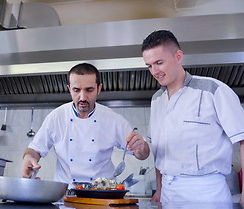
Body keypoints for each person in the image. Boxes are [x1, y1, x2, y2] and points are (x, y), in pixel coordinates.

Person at [141, 30, 244, 204]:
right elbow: (159, 150)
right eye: (149, 66)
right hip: (167, 193)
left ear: (178, 56)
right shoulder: (156, 100)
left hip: (207, 193)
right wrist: (159, 189)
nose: (154, 71)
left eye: (159, 63)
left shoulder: (213, 90)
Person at [21, 63, 150, 185]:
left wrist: (141, 147)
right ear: (69, 89)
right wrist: (29, 158)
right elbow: (34, 150)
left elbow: (143, 154)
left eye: (89, 90)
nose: (82, 97)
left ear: (99, 88)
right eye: (76, 90)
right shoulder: (56, 117)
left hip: (102, 196)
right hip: (66, 197)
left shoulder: (113, 120)